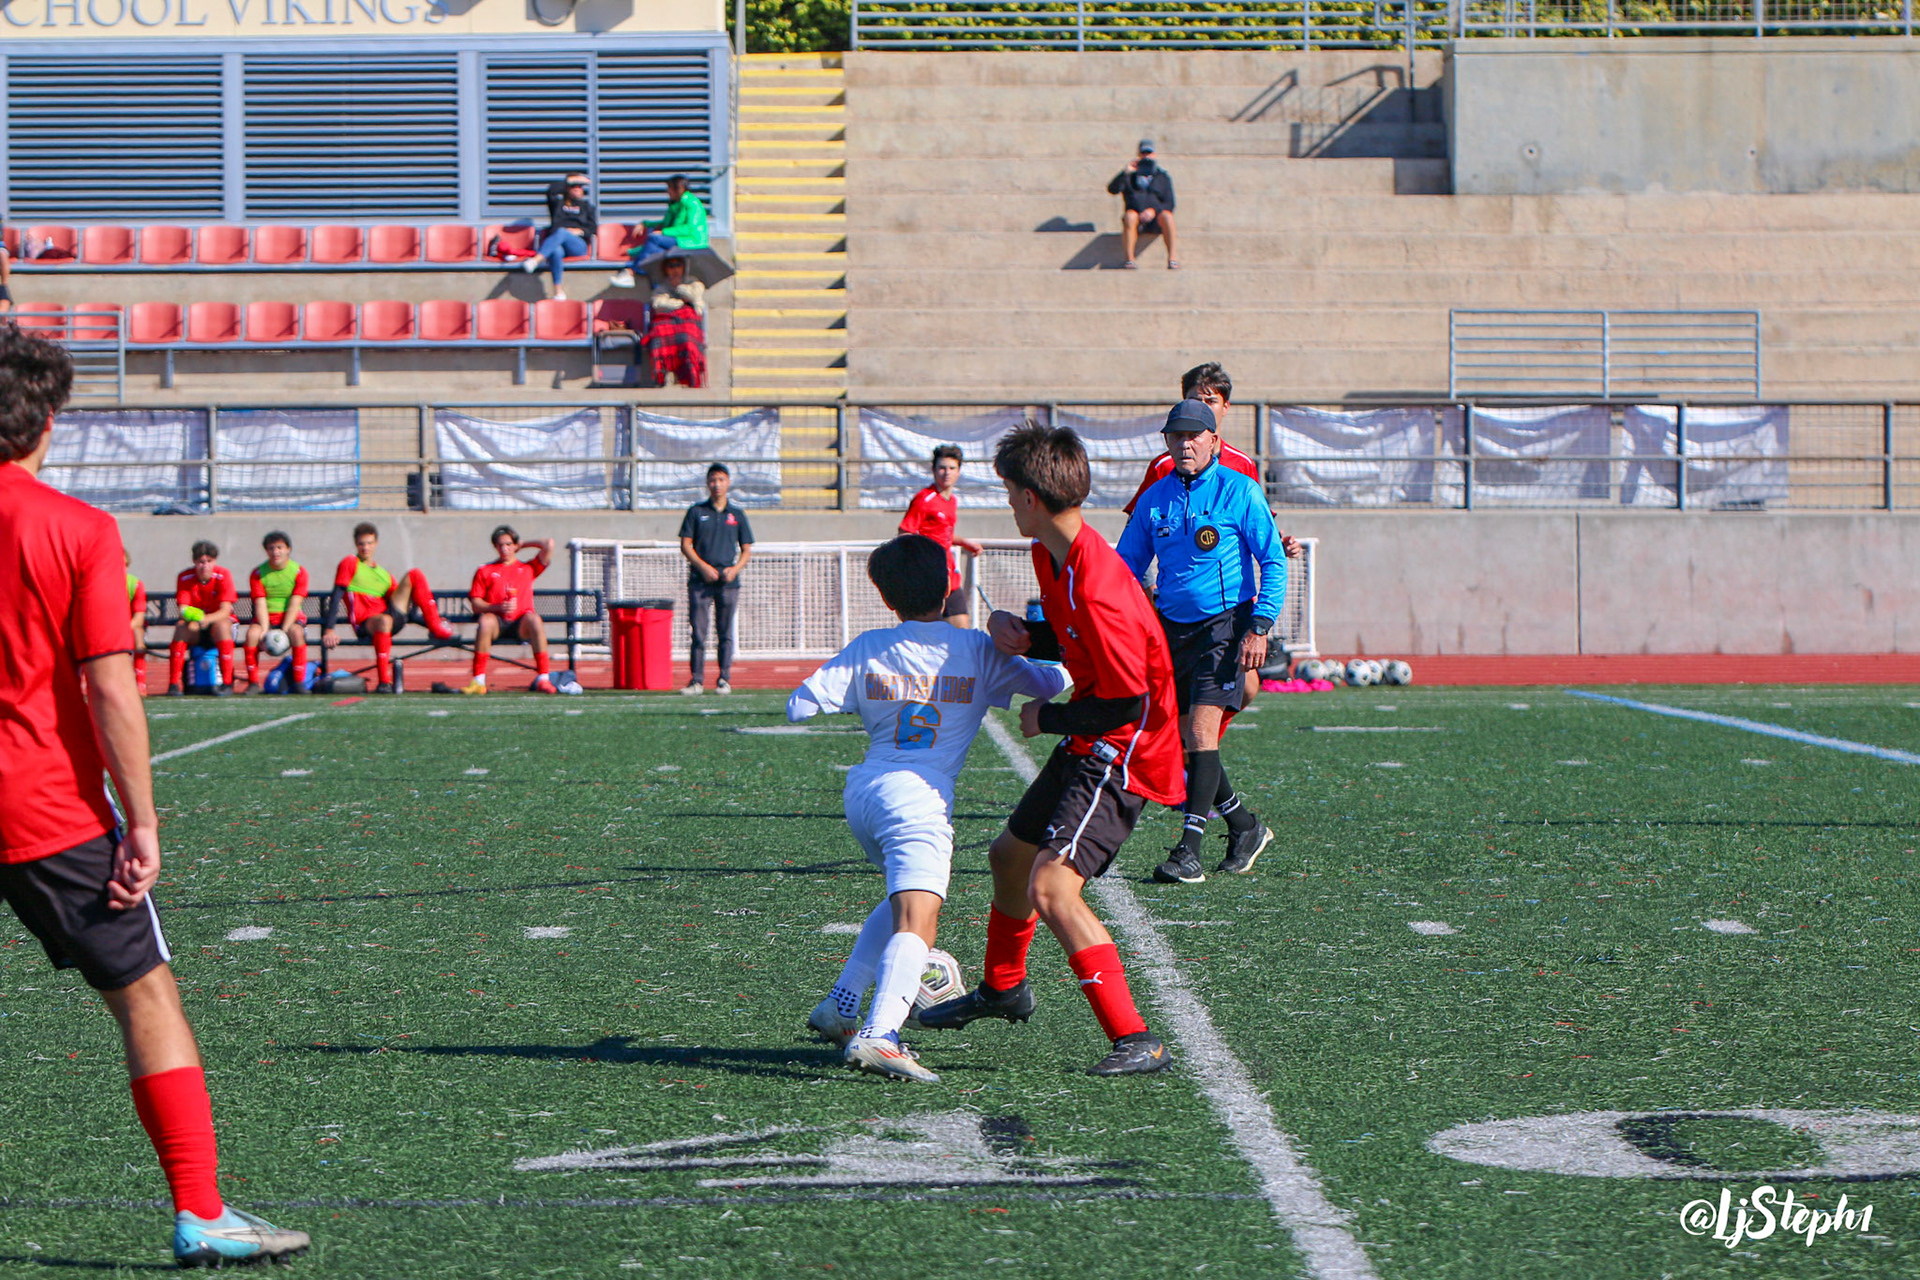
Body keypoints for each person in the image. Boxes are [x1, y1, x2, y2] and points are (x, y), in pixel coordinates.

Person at [0, 326, 310, 1267]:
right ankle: (200, 1211)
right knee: (145, 996)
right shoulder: (77, 529)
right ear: (49, 421)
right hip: (43, 803)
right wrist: (142, 821)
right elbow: (111, 685)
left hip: (38, 801)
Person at [917, 424, 1182, 1077]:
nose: (1008, 502)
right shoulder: (1052, 554)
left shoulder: (1100, 584)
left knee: (1052, 887)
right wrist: (1024, 635)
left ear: (1032, 498)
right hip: (1097, 731)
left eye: (1010, 491)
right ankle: (1003, 988)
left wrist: (1048, 716)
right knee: (1009, 856)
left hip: (1126, 746)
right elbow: (1073, 638)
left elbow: (1128, 703)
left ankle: (1136, 1037)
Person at [792, 534, 1068, 1082]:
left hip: (865, 791)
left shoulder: (870, 645)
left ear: (886, 596)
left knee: (902, 899)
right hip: (919, 798)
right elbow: (1052, 681)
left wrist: (883, 692)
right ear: (948, 589)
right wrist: (1043, 643)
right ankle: (881, 1034)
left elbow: (800, 704)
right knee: (919, 918)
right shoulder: (976, 650)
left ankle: (841, 1005)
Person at [1118, 400, 1287, 886]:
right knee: (1184, 739)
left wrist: (1259, 625)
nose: (1185, 443)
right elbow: (1126, 566)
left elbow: (1272, 561)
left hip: (1225, 627)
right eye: (1176, 436)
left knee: (1199, 734)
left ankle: (1188, 850)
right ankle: (1244, 825)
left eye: (1194, 435)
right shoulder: (1155, 498)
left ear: (1214, 440)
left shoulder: (1240, 490)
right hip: (1171, 631)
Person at [321, 522, 456, 696]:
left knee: (415, 574)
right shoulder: (350, 562)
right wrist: (330, 629)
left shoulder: (384, 574)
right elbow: (337, 594)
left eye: (369, 543)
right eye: (361, 543)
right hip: (366, 624)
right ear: (356, 544)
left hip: (390, 619)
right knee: (384, 620)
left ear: (376, 544)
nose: (365, 547)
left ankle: (436, 626)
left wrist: (428, 624)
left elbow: (406, 611)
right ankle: (384, 682)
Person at [679, 463, 754, 695]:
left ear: (728, 482)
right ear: (707, 483)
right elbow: (686, 544)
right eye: (713, 480)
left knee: (725, 632)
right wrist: (703, 567)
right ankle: (696, 681)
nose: (717, 484)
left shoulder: (737, 514)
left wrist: (735, 569)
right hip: (700, 582)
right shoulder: (696, 512)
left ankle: (724, 679)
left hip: (728, 582)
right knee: (698, 632)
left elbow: (747, 549)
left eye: (721, 480)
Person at [897, 444, 985, 629]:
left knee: (962, 630)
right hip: (930, 576)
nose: (947, 473)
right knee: (927, 632)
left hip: (950, 574)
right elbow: (905, 533)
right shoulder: (924, 499)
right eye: (942, 468)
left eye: (952, 468)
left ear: (959, 472)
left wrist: (965, 542)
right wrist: (919, 566)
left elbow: (943, 533)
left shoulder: (952, 500)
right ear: (933, 470)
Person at [464, 525, 557, 696]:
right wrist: (497, 607)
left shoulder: (528, 568)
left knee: (535, 620)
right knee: (485, 621)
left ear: (515, 545)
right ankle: (478, 681)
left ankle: (543, 679)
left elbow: (548, 544)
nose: (504, 549)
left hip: (520, 624)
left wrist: (523, 544)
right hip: (497, 623)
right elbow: (476, 604)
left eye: (508, 544)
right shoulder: (485, 570)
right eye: (500, 545)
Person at [610, 174, 710, 288]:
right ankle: (656, 288)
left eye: (670, 188)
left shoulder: (692, 204)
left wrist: (663, 232)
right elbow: (665, 223)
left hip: (692, 241)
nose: (668, 191)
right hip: (679, 239)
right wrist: (646, 224)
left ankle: (632, 271)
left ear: (679, 189)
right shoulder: (675, 205)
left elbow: (689, 229)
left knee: (655, 239)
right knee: (656, 254)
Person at [166, 540, 236, 696]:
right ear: (194, 562)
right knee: (181, 627)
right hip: (196, 625)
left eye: (209, 561)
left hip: (218, 625)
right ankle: (174, 684)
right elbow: (183, 609)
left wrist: (207, 619)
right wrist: (196, 617)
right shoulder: (184, 577)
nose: (205, 566)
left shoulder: (223, 575)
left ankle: (227, 683)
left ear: (215, 561)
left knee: (222, 626)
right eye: (201, 562)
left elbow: (225, 610)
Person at [243, 530, 309, 694]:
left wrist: (285, 629)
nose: (275, 552)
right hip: (266, 619)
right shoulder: (258, 573)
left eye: (280, 547)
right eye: (271, 548)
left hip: (290, 619)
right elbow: (260, 603)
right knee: (252, 634)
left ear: (288, 549)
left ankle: (299, 682)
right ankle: (253, 683)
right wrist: (264, 630)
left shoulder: (299, 572)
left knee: (297, 633)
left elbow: (295, 602)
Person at [517, 171, 597, 301]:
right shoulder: (558, 204)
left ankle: (536, 260)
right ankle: (558, 292)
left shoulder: (587, 207)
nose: (578, 189)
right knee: (556, 251)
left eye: (580, 186)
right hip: (558, 244)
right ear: (567, 188)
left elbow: (593, 228)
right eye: (574, 186)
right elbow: (551, 191)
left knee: (561, 232)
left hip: (577, 245)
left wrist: (580, 231)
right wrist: (569, 180)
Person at [1107, 139, 1178, 270]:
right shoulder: (1129, 176)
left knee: (1168, 216)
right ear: (1138, 155)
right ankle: (1129, 260)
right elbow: (1112, 190)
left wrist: (1154, 211)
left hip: (1156, 220)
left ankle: (1172, 259)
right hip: (1136, 218)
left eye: (1149, 153)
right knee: (1130, 216)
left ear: (1154, 155)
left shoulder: (1162, 177)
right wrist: (1125, 173)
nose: (1146, 157)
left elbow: (1170, 203)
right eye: (1143, 153)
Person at [644, 256, 707, 388]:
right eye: (671, 266)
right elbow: (658, 303)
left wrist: (681, 288)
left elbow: (695, 299)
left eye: (678, 265)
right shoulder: (662, 286)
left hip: (689, 320)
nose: (675, 269)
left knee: (686, 336)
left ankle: (689, 374)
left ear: (683, 267)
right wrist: (678, 303)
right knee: (658, 333)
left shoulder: (693, 282)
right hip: (669, 319)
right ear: (666, 270)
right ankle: (663, 374)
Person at [126, 548, 147, 695]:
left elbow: (139, 618)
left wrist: (123, 628)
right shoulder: (101, 583)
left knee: (137, 634)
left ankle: (140, 683)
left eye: (124, 565)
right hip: (107, 629)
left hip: (129, 626)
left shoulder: (134, 584)